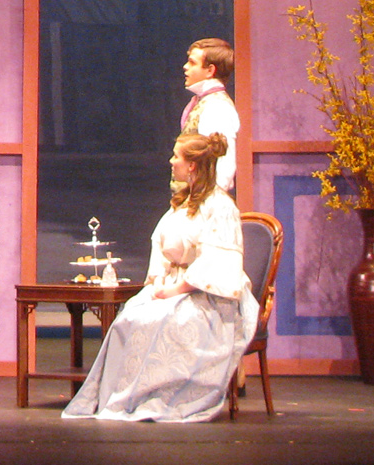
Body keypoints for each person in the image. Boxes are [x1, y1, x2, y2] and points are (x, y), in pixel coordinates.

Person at [63, 131, 258, 423]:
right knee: (132, 316)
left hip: (209, 295)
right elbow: (161, 245)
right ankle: (125, 398)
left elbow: (216, 262)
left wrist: (176, 289)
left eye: (177, 155)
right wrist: (158, 282)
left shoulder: (220, 207)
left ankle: (162, 397)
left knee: (166, 320)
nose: (171, 161)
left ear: (192, 165)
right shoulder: (182, 202)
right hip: (175, 284)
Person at [180, 37, 239, 194]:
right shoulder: (203, 101)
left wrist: (211, 205)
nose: (185, 67)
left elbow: (223, 162)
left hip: (204, 204)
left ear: (210, 70)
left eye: (192, 63)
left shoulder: (217, 107)